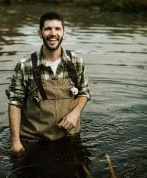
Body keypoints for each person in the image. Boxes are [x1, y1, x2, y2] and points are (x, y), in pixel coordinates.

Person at [6, 11, 91, 156]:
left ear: (64, 33)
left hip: (69, 138)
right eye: (48, 29)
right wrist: (15, 142)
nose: (53, 33)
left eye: (57, 29)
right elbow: (15, 103)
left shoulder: (77, 62)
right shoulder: (24, 65)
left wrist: (75, 113)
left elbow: (84, 93)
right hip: (34, 141)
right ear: (40, 33)